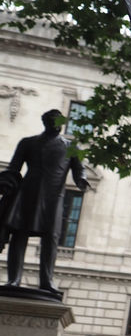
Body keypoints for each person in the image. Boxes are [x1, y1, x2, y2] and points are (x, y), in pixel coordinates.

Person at [3, 108, 89, 295]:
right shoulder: (28, 143)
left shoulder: (71, 146)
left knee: (51, 237)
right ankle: (14, 279)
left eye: (59, 122)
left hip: (54, 197)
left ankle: (47, 280)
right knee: (19, 235)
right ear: (45, 123)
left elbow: (79, 169)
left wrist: (81, 179)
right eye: (52, 122)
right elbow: (14, 168)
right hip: (28, 193)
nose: (56, 125)